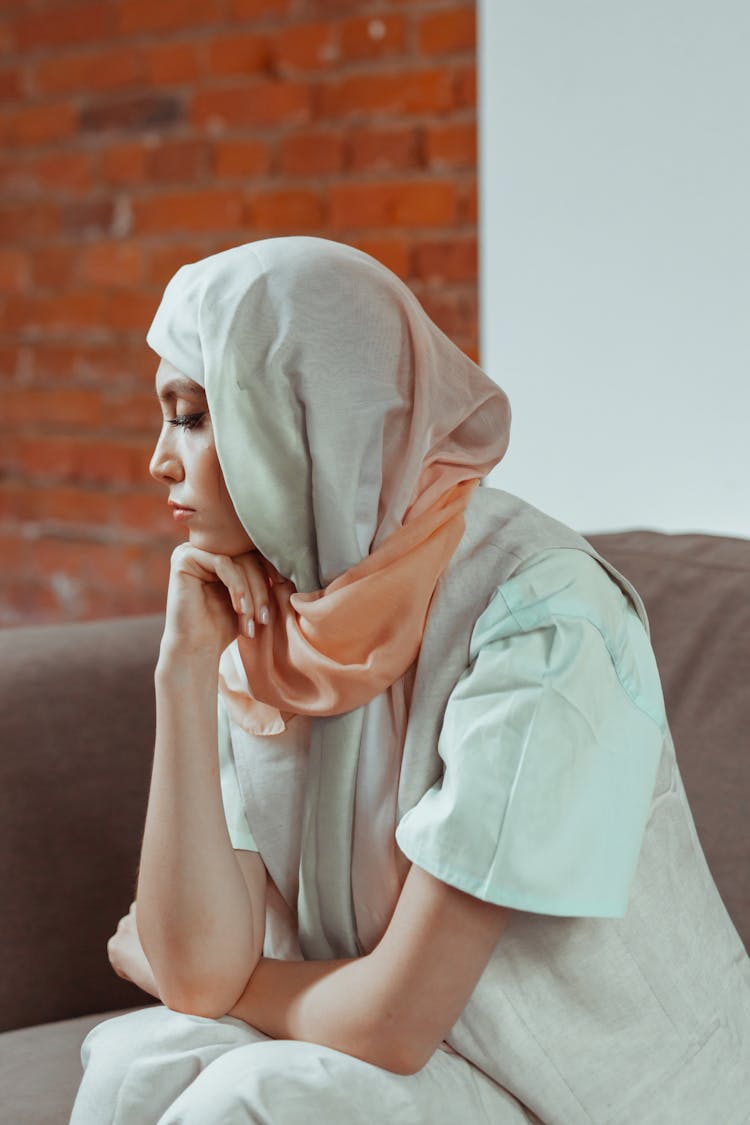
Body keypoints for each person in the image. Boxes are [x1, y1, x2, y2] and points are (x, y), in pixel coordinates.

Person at [70, 237, 750, 1124]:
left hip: (600, 1092)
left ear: (304, 413)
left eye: (193, 416)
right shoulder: (274, 612)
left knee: (250, 1100)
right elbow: (201, 970)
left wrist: (219, 984)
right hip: (405, 1045)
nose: (160, 459)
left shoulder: (546, 617)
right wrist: (182, 673)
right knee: (131, 1061)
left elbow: (392, 1020)